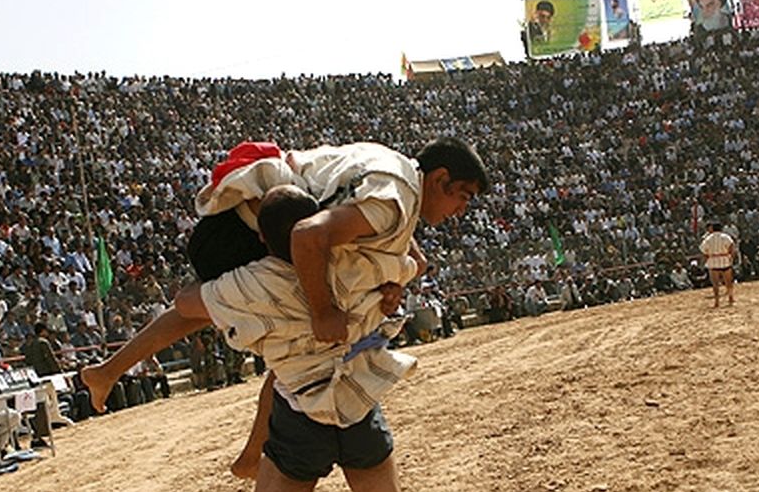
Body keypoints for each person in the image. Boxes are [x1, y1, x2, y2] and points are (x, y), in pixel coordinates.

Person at [198, 183, 475, 492]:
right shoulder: (358, 267)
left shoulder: (253, 283)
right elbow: (412, 256)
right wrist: (390, 277)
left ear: (263, 239)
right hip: (356, 408)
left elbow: (185, 303)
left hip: (300, 416)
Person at [81, 137, 487, 414]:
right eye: (462, 197)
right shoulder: (394, 200)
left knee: (252, 324)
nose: (461, 211)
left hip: (244, 223)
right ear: (439, 180)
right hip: (249, 234)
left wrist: (402, 269)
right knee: (290, 328)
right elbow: (311, 235)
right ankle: (148, 344)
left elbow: (387, 229)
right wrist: (324, 311)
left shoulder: (389, 163)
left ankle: (108, 371)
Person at [698, 222, 736, 307]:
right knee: (728, 281)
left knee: (715, 284)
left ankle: (717, 301)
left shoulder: (708, 238)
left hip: (713, 261)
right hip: (724, 259)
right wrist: (731, 257)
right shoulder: (726, 237)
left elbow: (703, 251)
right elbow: (732, 247)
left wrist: (707, 258)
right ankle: (730, 297)